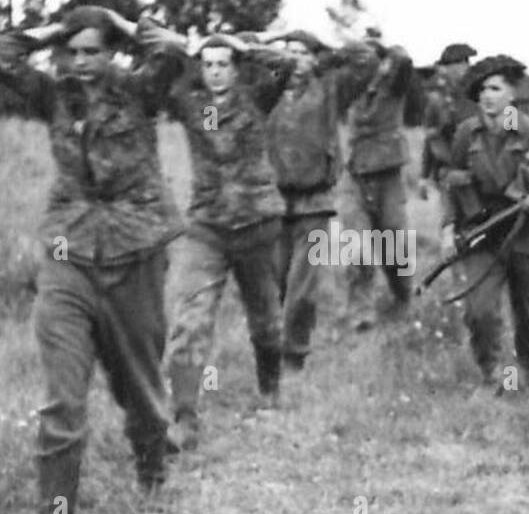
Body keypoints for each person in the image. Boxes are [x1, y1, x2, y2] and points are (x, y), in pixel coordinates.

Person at [0, 6, 188, 514]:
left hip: (134, 252)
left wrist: (126, 27)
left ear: (112, 52)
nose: (81, 63)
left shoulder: (141, 89)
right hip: (68, 256)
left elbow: (174, 50)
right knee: (63, 402)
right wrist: (47, 32)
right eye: (73, 52)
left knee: (140, 387)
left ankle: (152, 464)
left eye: (93, 51)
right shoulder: (51, 94)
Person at [165, 32, 298, 451]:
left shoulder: (256, 99)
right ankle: (184, 419)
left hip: (257, 222)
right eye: (209, 64)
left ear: (236, 68)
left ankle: (270, 387)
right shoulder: (190, 104)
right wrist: (184, 51)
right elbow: (162, 73)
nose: (217, 71)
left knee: (265, 318)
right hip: (207, 227)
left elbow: (286, 66)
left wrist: (246, 48)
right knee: (191, 321)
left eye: (224, 63)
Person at [442, 54, 529, 390]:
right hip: (483, 233)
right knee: (479, 310)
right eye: (483, 89)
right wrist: (446, 227)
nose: (487, 95)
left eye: (496, 88)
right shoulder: (466, 134)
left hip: (526, 234)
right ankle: (493, 374)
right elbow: (453, 181)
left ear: (512, 94)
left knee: (528, 310)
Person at [264, 30, 342, 370]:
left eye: (302, 53)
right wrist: (274, 40)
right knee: (277, 280)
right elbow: (241, 48)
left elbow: (361, 57)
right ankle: (274, 344)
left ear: (315, 58)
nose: (294, 60)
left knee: (303, 286)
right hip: (275, 202)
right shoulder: (268, 94)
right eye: (288, 53)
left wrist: (299, 37)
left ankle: (294, 352)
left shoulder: (328, 90)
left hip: (315, 202)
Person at [337, 37, 415, 331]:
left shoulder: (394, 86)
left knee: (393, 243)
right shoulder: (352, 88)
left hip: (388, 175)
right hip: (355, 174)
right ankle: (361, 312)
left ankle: (402, 296)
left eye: (368, 61)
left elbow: (405, 60)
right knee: (356, 244)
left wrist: (386, 54)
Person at [420, 42, 478, 201]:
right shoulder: (436, 101)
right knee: (451, 223)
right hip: (449, 174)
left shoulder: (484, 94)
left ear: (465, 64)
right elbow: (430, 140)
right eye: (446, 66)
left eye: (453, 65)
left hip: (483, 174)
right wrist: (424, 177)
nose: (447, 70)